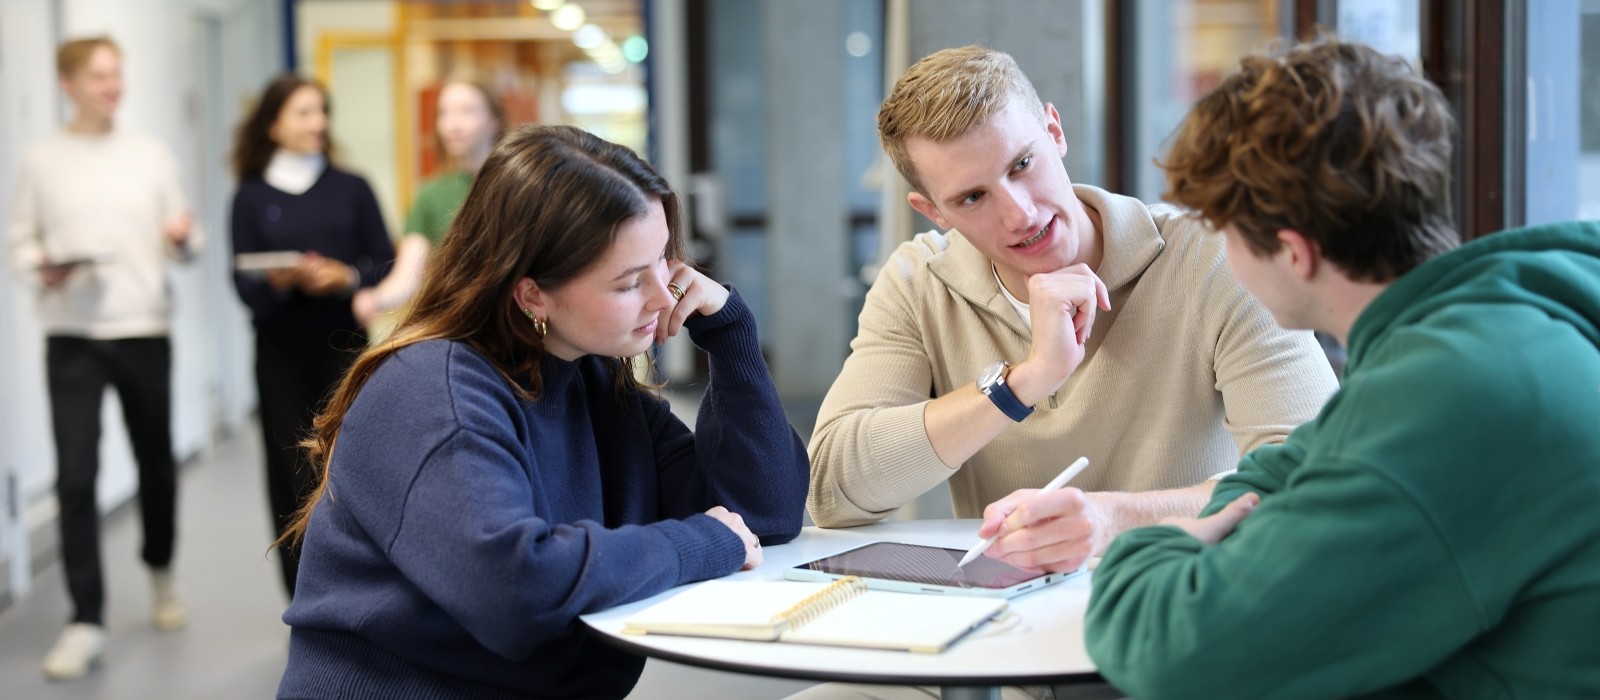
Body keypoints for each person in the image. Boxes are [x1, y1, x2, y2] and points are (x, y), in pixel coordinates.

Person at [1085, 37, 1600, 698]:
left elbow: (1171, 651)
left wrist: (1155, 546)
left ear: (1294, 253)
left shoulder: (1450, 392)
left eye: (1227, 238)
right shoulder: (1500, 320)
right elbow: (1300, 462)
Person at [275, 124, 808, 699]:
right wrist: (700, 542)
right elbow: (513, 589)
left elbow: (762, 516)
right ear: (532, 295)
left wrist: (730, 332)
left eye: (664, 262)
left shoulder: (593, 379)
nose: (664, 296)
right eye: (630, 282)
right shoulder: (432, 390)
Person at [808, 45, 1337, 576]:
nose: (1021, 213)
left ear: (1054, 131)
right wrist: (1021, 383)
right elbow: (831, 491)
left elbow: (1320, 476)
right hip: (1007, 626)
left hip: (1191, 598)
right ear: (933, 211)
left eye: (1022, 164)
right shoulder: (917, 282)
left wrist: (1114, 520)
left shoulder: (1213, 255)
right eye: (972, 198)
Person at [5, 35, 199, 681]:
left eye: (118, 75)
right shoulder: (42, 160)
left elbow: (186, 236)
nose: (112, 86)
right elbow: (21, 240)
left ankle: (162, 574)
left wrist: (183, 237)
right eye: (99, 76)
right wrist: (42, 268)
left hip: (144, 328)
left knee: (155, 464)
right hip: (72, 335)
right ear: (69, 84)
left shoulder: (149, 154)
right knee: (76, 477)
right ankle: (86, 618)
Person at [229, 74, 396, 599]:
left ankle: (360, 587)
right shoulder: (250, 197)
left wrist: (344, 277)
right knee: (290, 474)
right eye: (303, 113)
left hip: (344, 347)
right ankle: (304, 599)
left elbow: (383, 260)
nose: (317, 123)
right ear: (274, 124)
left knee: (350, 465)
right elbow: (241, 281)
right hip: (278, 350)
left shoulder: (353, 186)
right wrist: (280, 284)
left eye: (321, 111)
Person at [352, 80, 504, 325]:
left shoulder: (519, 185)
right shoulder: (431, 193)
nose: (453, 124)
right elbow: (407, 275)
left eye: (467, 111)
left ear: (494, 120)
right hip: (464, 326)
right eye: (444, 113)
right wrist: (375, 298)